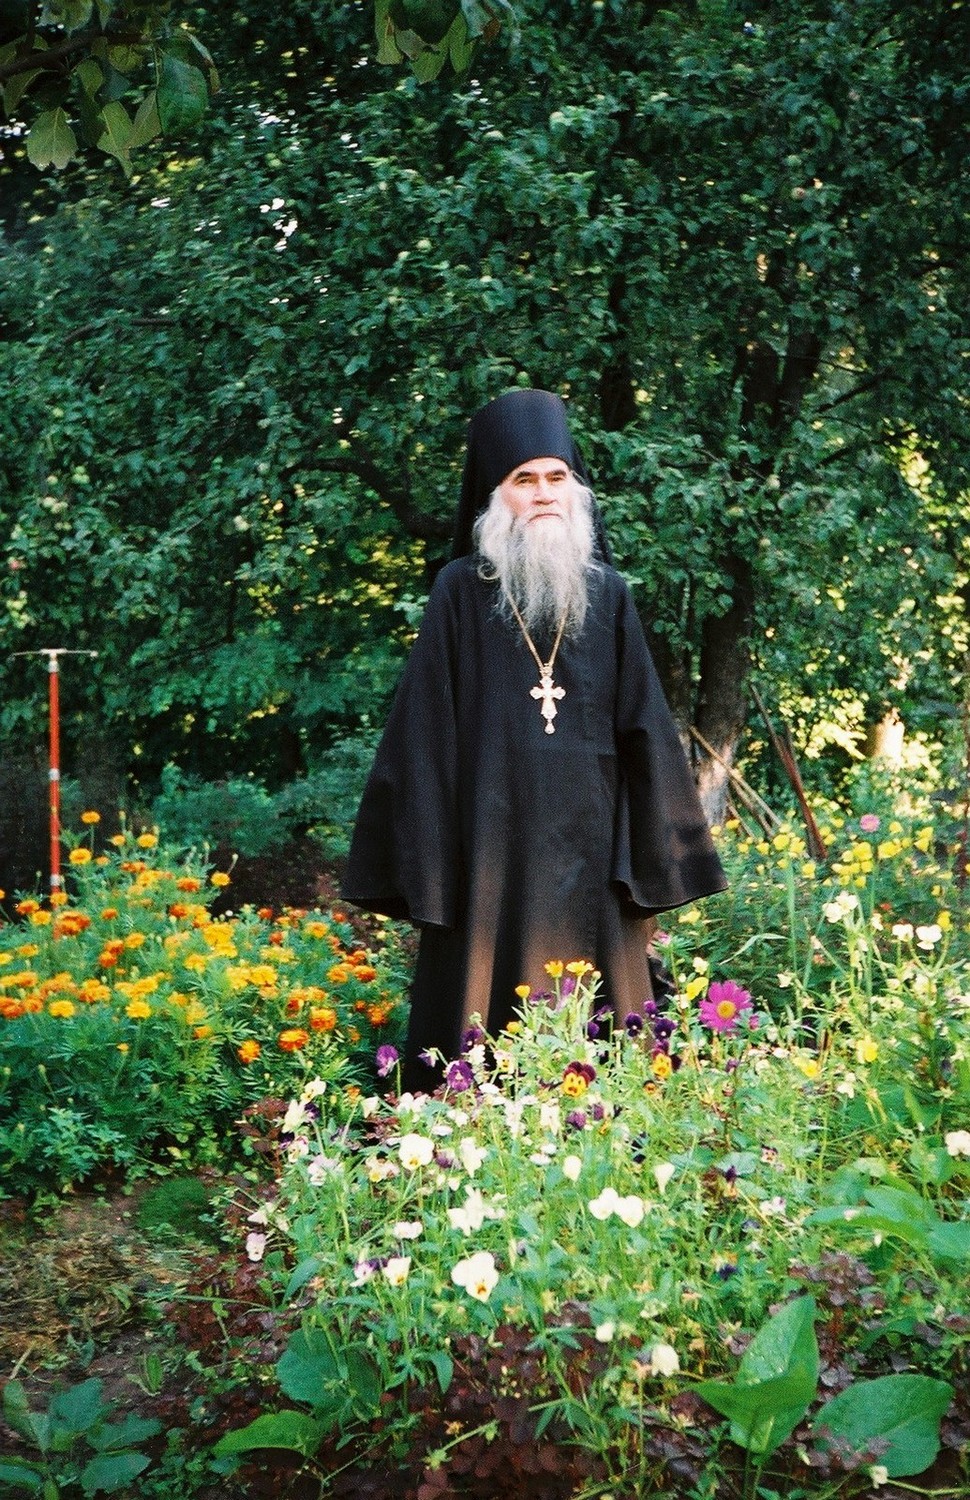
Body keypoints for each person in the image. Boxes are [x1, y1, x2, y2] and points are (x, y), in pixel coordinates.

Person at [342, 388, 727, 1090]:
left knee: (606, 1035)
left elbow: (646, 728)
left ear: (575, 491)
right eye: (524, 480)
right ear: (497, 498)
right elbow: (422, 737)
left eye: (557, 478)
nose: (544, 493)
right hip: (488, 851)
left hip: (593, 850)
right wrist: (434, 862)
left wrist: (655, 855)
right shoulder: (459, 591)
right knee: (476, 1023)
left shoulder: (607, 595)